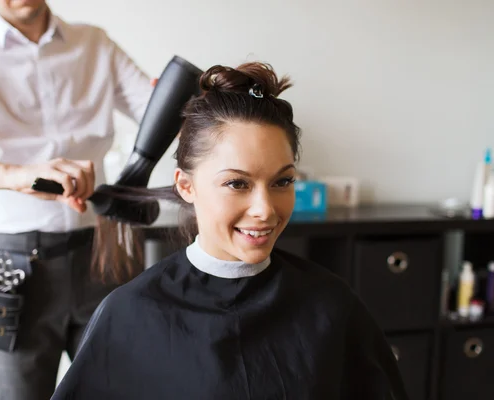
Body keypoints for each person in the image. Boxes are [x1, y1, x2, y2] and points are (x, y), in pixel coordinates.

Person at [51, 62, 410, 399]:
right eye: (237, 184)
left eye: (282, 181)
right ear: (186, 186)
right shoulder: (130, 314)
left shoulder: (331, 306)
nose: (265, 210)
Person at [0, 0, 156, 399]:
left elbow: (167, 117)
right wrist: (14, 175)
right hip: (12, 268)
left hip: (104, 255)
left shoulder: (94, 43)